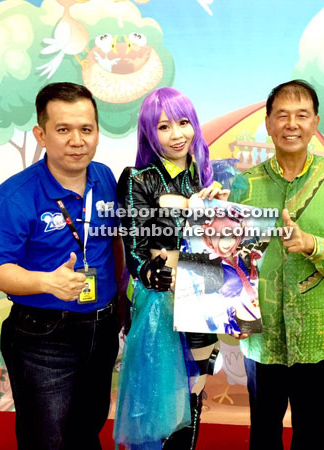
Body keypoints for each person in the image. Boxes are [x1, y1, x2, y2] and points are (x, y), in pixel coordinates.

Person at [228, 79, 324, 450]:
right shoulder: (244, 185)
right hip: (261, 334)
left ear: (316, 122)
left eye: (301, 115)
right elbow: (230, 260)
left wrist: (311, 244)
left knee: (311, 432)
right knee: (263, 430)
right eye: (283, 116)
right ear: (269, 122)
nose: (292, 124)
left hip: (318, 331)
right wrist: (230, 314)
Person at [0, 82, 124, 450]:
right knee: (46, 439)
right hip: (43, 337)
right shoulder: (15, 195)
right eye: (63, 130)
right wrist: (48, 282)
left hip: (101, 329)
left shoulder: (105, 178)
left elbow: (124, 236)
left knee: (87, 430)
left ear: (96, 133)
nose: (76, 140)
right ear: (41, 135)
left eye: (86, 129)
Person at [114, 86, 227, 449]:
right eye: (163, 127)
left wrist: (221, 214)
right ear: (149, 132)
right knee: (154, 413)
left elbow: (220, 255)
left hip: (200, 310)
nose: (176, 134)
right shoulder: (138, 178)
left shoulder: (207, 179)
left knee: (191, 403)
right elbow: (136, 254)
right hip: (157, 309)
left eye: (183, 123)